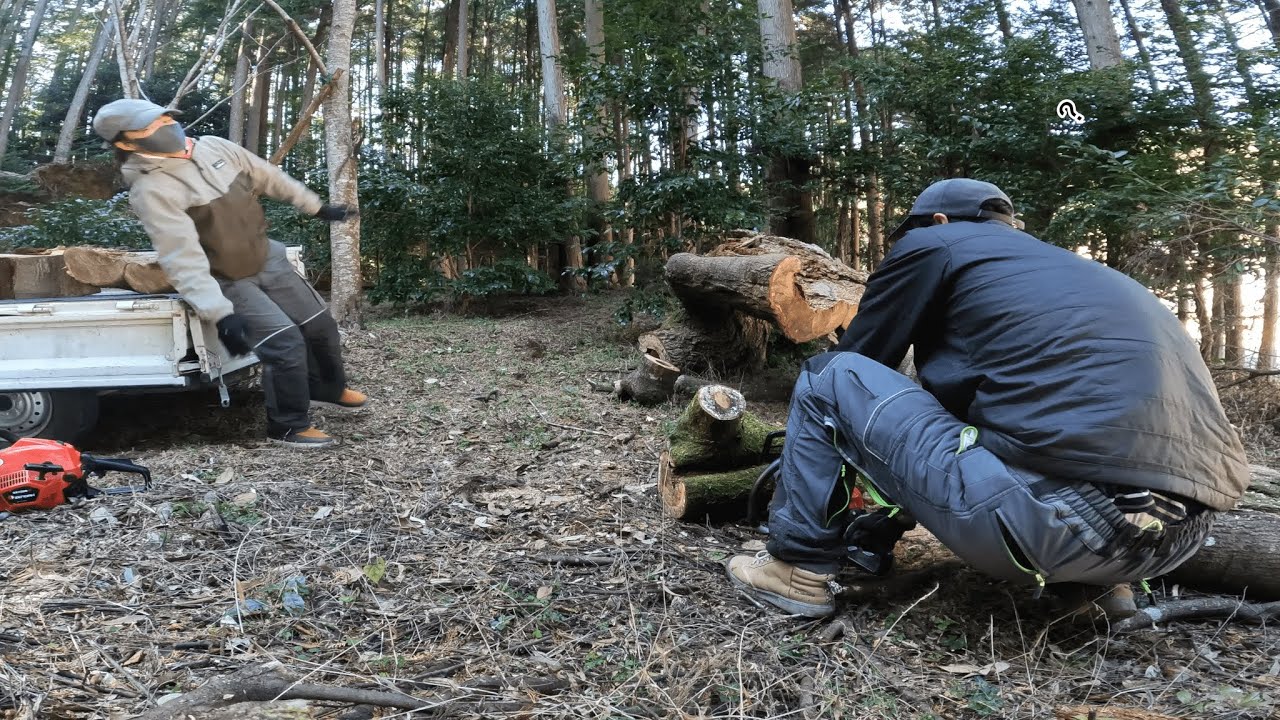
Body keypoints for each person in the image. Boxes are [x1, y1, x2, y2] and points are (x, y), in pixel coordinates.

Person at [727, 178, 1250, 618]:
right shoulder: (1080, 273)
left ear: (936, 223)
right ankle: (1107, 590)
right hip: (1178, 541)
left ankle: (795, 572)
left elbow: (864, 363)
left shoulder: (935, 244)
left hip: (1057, 525)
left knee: (830, 376)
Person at [92, 98, 368, 450]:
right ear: (127, 143)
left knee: (320, 327)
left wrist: (315, 206)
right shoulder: (152, 190)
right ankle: (287, 425)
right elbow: (181, 256)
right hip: (227, 279)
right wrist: (219, 313)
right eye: (150, 128)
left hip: (268, 258)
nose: (165, 127)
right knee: (284, 346)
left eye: (164, 118)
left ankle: (326, 387)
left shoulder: (214, 147)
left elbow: (268, 176)